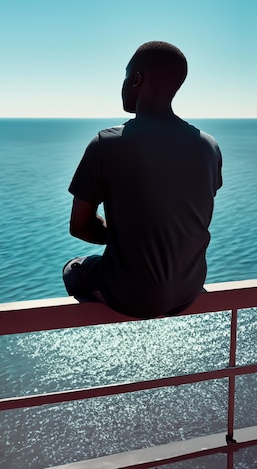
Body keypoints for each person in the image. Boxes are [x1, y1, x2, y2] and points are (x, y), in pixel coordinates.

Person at [63, 41, 223, 318]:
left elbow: (80, 227)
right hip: (189, 289)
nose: (123, 85)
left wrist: (126, 238)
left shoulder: (106, 143)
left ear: (137, 78)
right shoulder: (209, 146)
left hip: (132, 296)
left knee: (72, 269)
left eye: (126, 77)